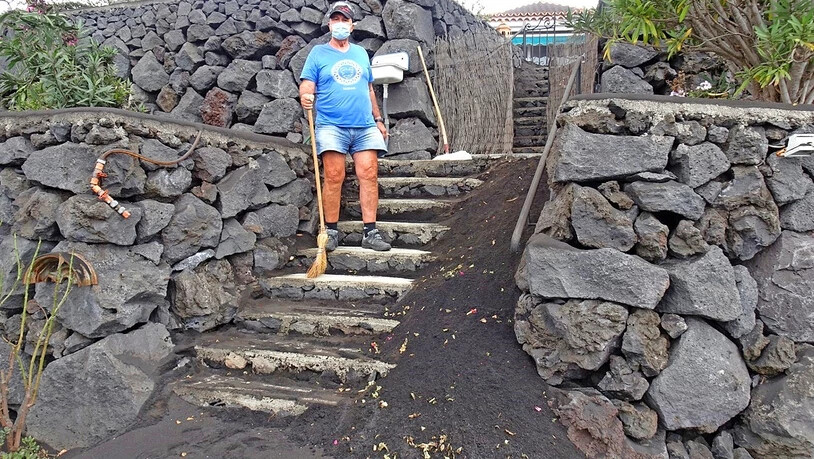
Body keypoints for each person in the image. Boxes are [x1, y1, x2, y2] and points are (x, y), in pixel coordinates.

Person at [299, 1, 391, 252]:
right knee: (333, 176)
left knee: (369, 174)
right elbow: (307, 84)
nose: (340, 24)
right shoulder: (318, 53)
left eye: (345, 20)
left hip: (364, 125)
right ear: (330, 24)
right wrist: (306, 96)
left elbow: (369, 88)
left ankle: (370, 233)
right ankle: (330, 231)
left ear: (352, 26)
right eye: (336, 19)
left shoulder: (361, 53)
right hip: (331, 125)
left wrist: (378, 119)